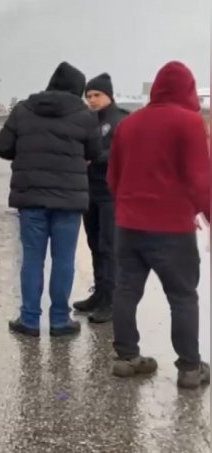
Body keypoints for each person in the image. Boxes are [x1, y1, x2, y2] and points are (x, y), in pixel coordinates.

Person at [107, 61, 210, 389]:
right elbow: (200, 179)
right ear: (188, 89)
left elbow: (114, 179)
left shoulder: (128, 124)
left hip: (128, 226)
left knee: (125, 290)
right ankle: (190, 369)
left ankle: (126, 358)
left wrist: (130, 206)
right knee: (182, 296)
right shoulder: (189, 122)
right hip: (171, 229)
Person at [0, 61, 102, 337]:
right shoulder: (85, 115)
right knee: (64, 260)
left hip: (31, 198)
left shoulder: (22, 111)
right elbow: (95, 151)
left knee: (32, 259)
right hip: (68, 200)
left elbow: (2, 147)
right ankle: (59, 320)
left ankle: (29, 319)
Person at [71, 73, 130, 323]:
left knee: (109, 247)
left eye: (97, 95)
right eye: (89, 96)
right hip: (89, 191)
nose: (92, 100)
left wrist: (93, 157)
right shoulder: (88, 120)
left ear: (109, 95)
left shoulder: (121, 120)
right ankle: (100, 292)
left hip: (111, 194)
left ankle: (111, 299)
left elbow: (121, 153)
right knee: (94, 244)